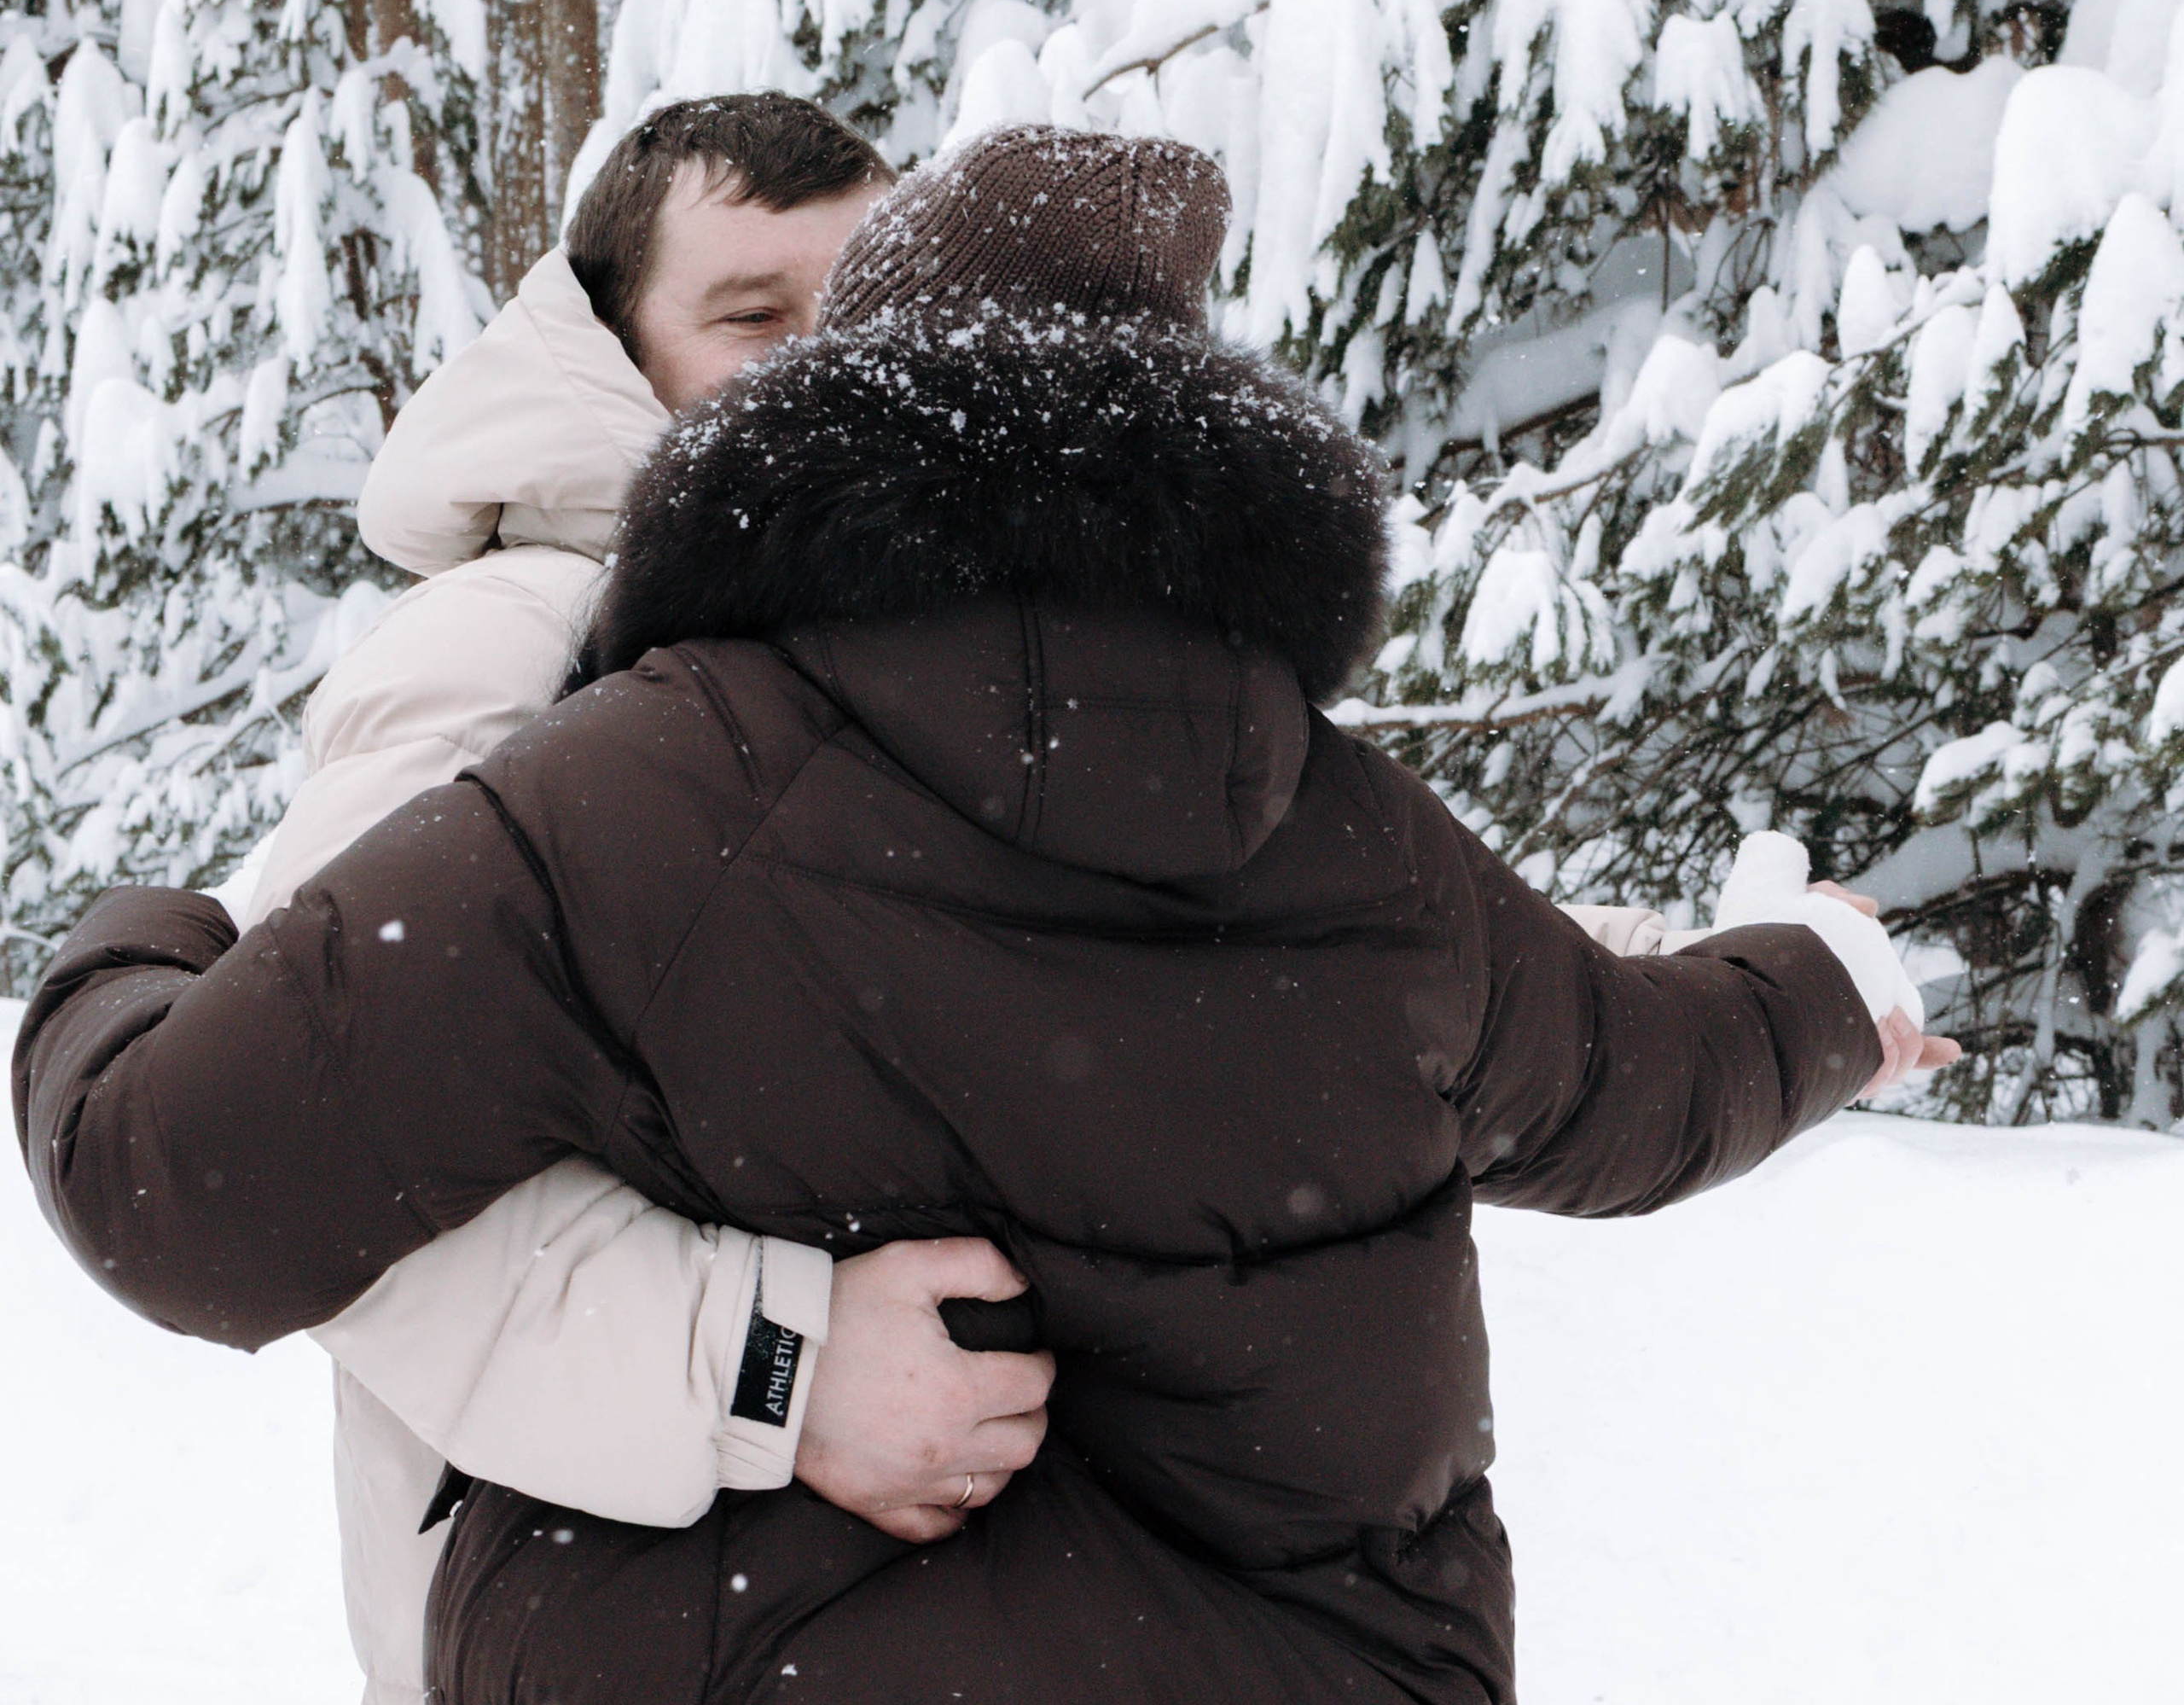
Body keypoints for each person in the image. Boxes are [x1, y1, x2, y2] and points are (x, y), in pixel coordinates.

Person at [17, 126, 1951, 1703]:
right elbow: (1635, 1071)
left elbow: (183, 1169)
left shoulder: (661, 769)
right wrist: (1826, 986)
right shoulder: (1351, 828)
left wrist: (137, 940)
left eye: (822, 316)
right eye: (744, 310)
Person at [233, 95, 1054, 1705]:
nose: (829, 365)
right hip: (589, 1602)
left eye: (868, 311)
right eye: (754, 319)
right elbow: (299, 1154)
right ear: (614, 351)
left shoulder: (905, 651)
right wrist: (777, 1367)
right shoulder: (503, 645)